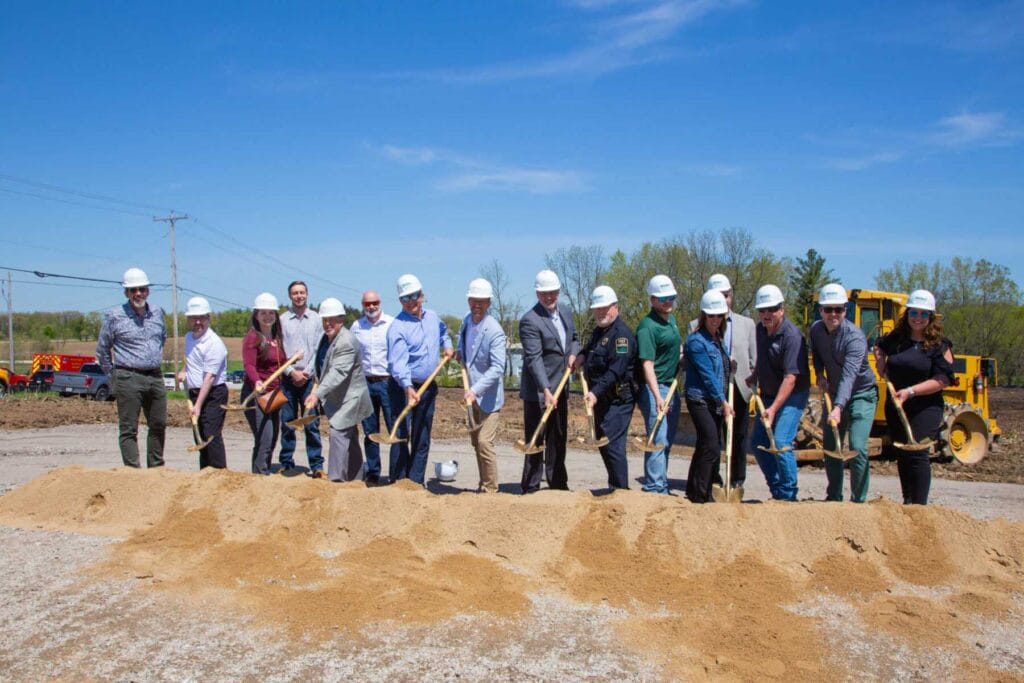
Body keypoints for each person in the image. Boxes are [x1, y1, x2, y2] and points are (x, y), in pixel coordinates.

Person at [874, 289, 954, 505]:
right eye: (914, 313)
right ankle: (907, 502)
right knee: (902, 453)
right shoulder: (896, 340)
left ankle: (919, 507)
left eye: (923, 314)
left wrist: (911, 391)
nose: (918, 318)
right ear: (907, 314)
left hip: (924, 407)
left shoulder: (940, 346)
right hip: (897, 405)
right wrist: (881, 364)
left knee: (917, 452)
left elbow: (942, 380)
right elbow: (879, 346)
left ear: (931, 317)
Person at [810, 283, 878, 502]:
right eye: (828, 309)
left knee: (857, 448)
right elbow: (818, 354)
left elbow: (849, 377)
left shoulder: (855, 338)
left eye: (837, 309)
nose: (832, 314)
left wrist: (838, 408)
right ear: (821, 310)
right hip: (836, 393)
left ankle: (858, 502)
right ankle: (834, 498)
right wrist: (820, 374)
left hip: (861, 394)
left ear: (845, 310)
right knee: (831, 447)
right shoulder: (816, 330)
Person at [691, 273, 757, 494]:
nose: (717, 317)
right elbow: (704, 369)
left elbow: (753, 358)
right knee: (712, 440)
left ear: (731, 296)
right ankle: (710, 481)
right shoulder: (696, 330)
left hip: (738, 387)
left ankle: (735, 479)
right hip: (709, 393)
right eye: (718, 296)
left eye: (726, 295)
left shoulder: (745, 325)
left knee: (737, 437)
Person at [386, 274, 455, 485]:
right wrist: (407, 387)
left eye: (414, 296)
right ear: (400, 301)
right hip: (402, 387)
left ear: (422, 295)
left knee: (422, 436)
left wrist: (447, 345)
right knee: (400, 436)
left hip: (427, 387)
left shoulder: (432, 317)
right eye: (405, 298)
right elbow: (398, 364)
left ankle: (415, 483)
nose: (411, 302)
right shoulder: (397, 327)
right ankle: (398, 482)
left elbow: (443, 332)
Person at [96, 267, 167, 468]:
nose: (138, 293)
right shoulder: (115, 316)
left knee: (158, 424)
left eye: (142, 289)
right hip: (127, 376)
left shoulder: (157, 313)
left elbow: (162, 339)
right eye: (133, 290)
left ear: (148, 291)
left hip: (154, 376)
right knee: (129, 429)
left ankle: (156, 468)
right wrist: (114, 378)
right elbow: (102, 350)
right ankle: (132, 473)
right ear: (126, 292)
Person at [519, 269, 579, 493]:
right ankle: (531, 486)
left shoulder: (565, 312)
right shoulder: (529, 320)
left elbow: (574, 339)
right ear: (537, 293)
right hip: (538, 392)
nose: (549, 297)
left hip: (561, 387)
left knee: (558, 438)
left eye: (553, 292)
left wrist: (574, 353)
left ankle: (557, 484)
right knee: (536, 440)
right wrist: (545, 389)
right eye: (544, 293)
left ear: (559, 291)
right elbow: (534, 359)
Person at [750, 284, 809, 501]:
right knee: (757, 443)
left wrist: (774, 408)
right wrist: (754, 376)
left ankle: (789, 495)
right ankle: (777, 490)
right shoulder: (759, 329)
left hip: (792, 396)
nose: (766, 315)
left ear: (781, 309)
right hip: (768, 394)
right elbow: (763, 359)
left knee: (782, 441)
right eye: (762, 310)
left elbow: (791, 378)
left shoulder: (792, 336)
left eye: (772, 309)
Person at [305, 298, 373, 482]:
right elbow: (323, 365)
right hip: (339, 397)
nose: (328, 324)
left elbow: (338, 372)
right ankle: (356, 479)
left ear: (341, 320)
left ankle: (335, 481)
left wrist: (317, 395)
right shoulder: (326, 338)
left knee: (338, 433)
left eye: (332, 320)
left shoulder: (346, 341)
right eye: (325, 320)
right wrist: (315, 383)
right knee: (349, 438)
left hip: (351, 398)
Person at [576, 286, 636, 490]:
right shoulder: (600, 331)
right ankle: (614, 486)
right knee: (603, 442)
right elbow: (591, 348)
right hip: (601, 400)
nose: (601, 312)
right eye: (597, 309)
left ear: (615, 307)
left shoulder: (621, 336)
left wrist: (594, 392)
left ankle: (621, 490)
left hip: (618, 400)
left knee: (613, 445)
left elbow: (616, 370)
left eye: (605, 308)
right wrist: (582, 354)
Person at [683, 290, 735, 503]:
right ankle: (701, 495)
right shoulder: (696, 342)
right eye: (711, 315)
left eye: (719, 315)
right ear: (703, 315)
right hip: (700, 399)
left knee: (705, 444)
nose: (715, 320)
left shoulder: (717, 339)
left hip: (713, 400)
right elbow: (708, 376)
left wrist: (729, 364)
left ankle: (692, 488)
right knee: (712, 446)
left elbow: (719, 370)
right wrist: (723, 402)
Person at [458, 278, 507, 493]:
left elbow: (498, 368)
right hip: (472, 396)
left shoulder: (494, 330)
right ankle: (482, 484)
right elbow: (464, 346)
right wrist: (459, 353)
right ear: (469, 300)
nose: (477, 305)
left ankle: (491, 490)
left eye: (482, 301)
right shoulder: (466, 321)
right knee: (476, 443)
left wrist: (475, 390)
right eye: (474, 300)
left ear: (489, 303)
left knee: (485, 443)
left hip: (488, 397)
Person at [636, 274, 682, 494]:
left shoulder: (671, 320)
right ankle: (654, 488)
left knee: (668, 439)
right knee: (657, 437)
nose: (668, 302)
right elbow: (647, 365)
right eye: (663, 298)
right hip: (655, 388)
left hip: (672, 388)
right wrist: (657, 396)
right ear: (652, 300)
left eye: (671, 297)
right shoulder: (647, 327)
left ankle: (661, 483)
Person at [178, 296, 229, 469]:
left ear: (208, 318)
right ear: (188, 319)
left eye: (201, 317)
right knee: (198, 433)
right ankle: (205, 474)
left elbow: (209, 377)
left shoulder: (214, 343)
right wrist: (184, 370)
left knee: (210, 434)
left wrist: (197, 406)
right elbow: (192, 359)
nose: (197, 321)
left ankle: (219, 474)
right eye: (193, 317)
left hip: (213, 394)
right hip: (196, 393)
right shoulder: (189, 338)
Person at [279, 281, 323, 476]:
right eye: (295, 293)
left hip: (309, 379)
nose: (299, 296)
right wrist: (291, 372)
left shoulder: (316, 319)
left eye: (302, 292)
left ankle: (316, 466)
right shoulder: (281, 321)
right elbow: (279, 351)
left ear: (307, 294)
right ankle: (286, 462)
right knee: (287, 422)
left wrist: (307, 372)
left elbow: (319, 348)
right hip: (288, 378)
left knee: (311, 423)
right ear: (290, 296)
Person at [243, 292, 290, 475]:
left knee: (272, 436)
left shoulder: (277, 337)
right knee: (265, 435)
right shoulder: (253, 337)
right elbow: (248, 364)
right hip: (258, 393)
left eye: (271, 313)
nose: (267, 317)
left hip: (274, 393)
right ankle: (260, 473)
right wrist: (256, 382)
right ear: (256, 315)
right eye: (263, 313)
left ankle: (263, 469)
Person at [351, 289, 394, 484]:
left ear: (380, 302)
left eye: (374, 302)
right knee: (370, 431)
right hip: (366, 383)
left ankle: (397, 473)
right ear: (363, 305)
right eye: (367, 304)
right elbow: (351, 353)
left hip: (388, 383)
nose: (371, 306)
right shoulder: (357, 326)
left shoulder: (392, 324)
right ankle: (373, 471)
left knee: (395, 429)